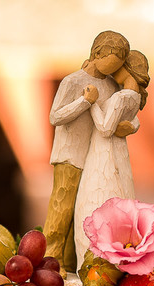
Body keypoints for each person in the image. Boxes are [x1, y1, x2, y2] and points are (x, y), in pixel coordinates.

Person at [42, 31, 130, 271]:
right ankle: (51, 260)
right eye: (111, 61)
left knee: (81, 211)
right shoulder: (73, 81)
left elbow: (111, 116)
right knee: (62, 207)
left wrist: (126, 127)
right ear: (96, 54)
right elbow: (55, 116)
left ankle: (70, 262)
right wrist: (85, 101)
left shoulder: (110, 85)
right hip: (70, 153)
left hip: (94, 157)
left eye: (119, 64)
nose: (113, 69)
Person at [72, 49, 150, 263]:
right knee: (119, 193)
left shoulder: (121, 97)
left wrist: (92, 102)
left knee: (96, 197)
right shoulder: (133, 98)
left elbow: (105, 128)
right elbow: (129, 122)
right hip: (119, 152)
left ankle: (91, 262)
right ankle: (119, 256)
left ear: (128, 69)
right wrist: (133, 125)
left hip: (104, 152)